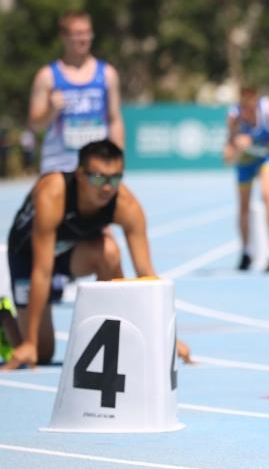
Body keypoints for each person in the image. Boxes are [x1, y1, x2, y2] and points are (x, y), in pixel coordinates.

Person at [3, 139, 191, 370]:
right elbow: (42, 270)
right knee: (42, 353)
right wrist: (30, 342)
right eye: (98, 177)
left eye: (115, 178)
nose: (107, 187)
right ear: (80, 175)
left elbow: (146, 275)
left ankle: (121, 335)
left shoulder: (126, 205)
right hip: (29, 256)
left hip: (71, 252)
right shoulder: (53, 192)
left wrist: (166, 338)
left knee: (109, 252)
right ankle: (4, 316)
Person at [28, 10, 124, 173]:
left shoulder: (108, 74)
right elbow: (35, 125)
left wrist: (118, 158)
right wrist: (50, 109)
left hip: (97, 166)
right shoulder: (47, 76)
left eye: (88, 33)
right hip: (59, 165)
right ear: (63, 36)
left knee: (126, 199)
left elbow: (114, 120)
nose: (84, 38)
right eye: (78, 33)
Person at [223, 85, 269, 272]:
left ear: (256, 103)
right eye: (245, 109)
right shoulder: (234, 117)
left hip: (267, 156)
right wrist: (236, 146)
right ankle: (246, 251)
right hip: (246, 161)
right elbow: (228, 153)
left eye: (252, 108)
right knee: (243, 205)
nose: (249, 113)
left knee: (267, 194)